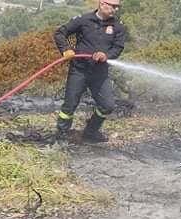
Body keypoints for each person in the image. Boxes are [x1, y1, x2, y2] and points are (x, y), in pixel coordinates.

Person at [53, 0, 127, 144]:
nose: (115, 9)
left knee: (107, 106)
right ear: (102, 3)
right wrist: (65, 49)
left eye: (117, 7)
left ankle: (91, 132)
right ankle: (61, 135)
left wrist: (107, 55)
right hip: (79, 70)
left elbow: (118, 47)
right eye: (112, 6)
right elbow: (60, 33)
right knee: (70, 105)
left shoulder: (118, 26)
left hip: (99, 73)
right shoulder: (83, 20)